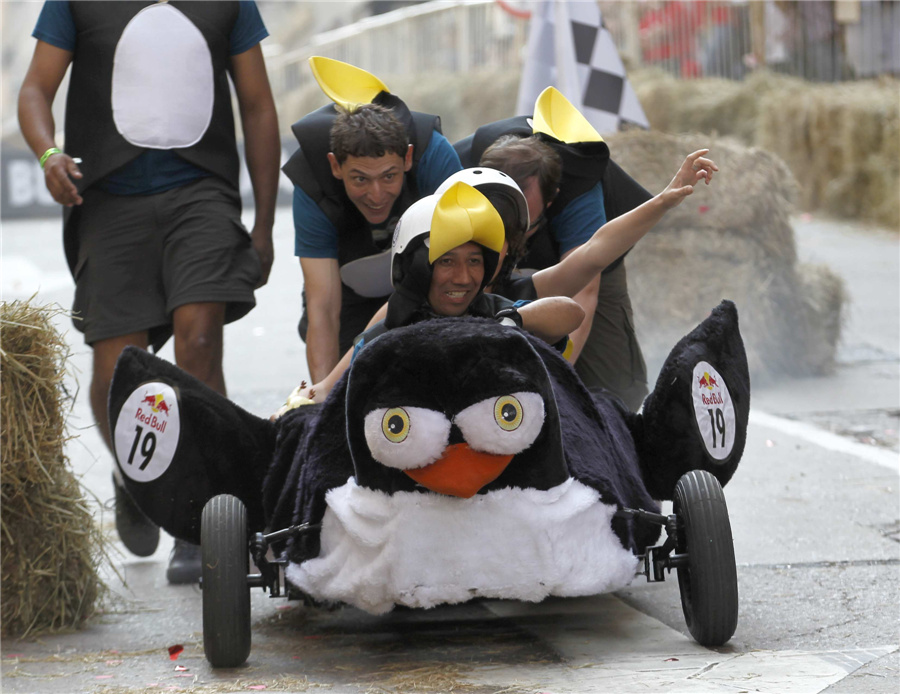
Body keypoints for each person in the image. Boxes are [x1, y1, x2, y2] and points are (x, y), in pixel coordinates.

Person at [17, 0, 280, 584]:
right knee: (116, 379)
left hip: (201, 196)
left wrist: (262, 223)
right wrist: (48, 152)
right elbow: (35, 89)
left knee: (200, 338)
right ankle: (130, 477)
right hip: (105, 201)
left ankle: (201, 519)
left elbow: (258, 107)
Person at [275, 181, 583, 411]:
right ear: (415, 267)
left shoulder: (495, 314)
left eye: (474, 261)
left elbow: (570, 313)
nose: (463, 278)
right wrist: (296, 405)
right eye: (446, 261)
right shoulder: (383, 336)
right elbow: (328, 390)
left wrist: (505, 324)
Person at [456, 87, 655, 411]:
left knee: (613, 386)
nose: (513, 235)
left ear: (550, 200)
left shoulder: (578, 191)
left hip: (589, 258)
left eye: (523, 222)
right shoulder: (457, 174)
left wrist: (553, 385)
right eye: (504, 220)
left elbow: (584, 292)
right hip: (479, 248)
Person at [282, 57, 462, 384]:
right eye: (360, 179)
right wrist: (322, 397)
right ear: (335, 167)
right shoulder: (311, 182)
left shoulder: (435, 155)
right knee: (349, 383)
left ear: (407, 158)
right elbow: (322, 305)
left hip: (427, 274)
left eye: (389, 176)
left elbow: (469, 265)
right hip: (348, 287)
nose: (376, 195)